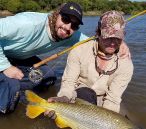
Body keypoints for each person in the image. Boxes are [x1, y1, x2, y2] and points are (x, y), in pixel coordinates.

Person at [0, 3, 130, 114]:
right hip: (3, 57)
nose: (68, 27)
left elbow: (94, 41)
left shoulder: (71, 35)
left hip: (17, 57)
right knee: (11, 87)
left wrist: (119, 42)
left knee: (48, 77)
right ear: (56, 14)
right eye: (66, 19)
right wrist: (5, 66)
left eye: (74, 25)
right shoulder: (28, 23)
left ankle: (23, 97)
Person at [45, 10, 133, 119]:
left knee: (130, 122)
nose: (112, 42)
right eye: (108, 37)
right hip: (77, 96)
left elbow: (113, 99)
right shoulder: (79, 50)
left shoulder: (126, 64)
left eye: (117, 37)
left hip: (105, 100)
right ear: (98, 33)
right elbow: (69, 82)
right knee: (84, 95)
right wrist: (63, 98)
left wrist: (106, 121)